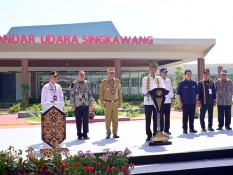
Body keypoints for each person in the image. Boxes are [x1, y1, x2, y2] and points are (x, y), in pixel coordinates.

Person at [142, 61, 166, 141]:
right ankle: (148, 135)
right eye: (151, 69)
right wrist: (150, 93)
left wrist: (159, 93)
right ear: (149, 70)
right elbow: (143, 90)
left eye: (154, 69)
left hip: (157, 102)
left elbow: (163, 88)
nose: (153, 71)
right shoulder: (145, 79)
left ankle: (155, 133)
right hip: (148, 101)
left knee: (156, 119)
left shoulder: (159, 78)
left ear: (156, 70)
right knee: (148, 119)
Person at [70, 70, 94, 140]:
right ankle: (79, 134)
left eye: (83, 75)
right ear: (78, 75)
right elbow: (71, 95)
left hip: (85, 105)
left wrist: (91, 103)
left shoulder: (87, 83)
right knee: (78, 120)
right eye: (81, 75)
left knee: (86, 120)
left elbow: (90, 94)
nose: (82, 76)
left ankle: (85, 134)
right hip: (77, 105)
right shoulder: (74, 84)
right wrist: (72, 104)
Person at [99, 67, 123, 139]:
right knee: (108, 119)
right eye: (110, 73)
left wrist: (120, 102)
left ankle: (115, 133)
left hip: (115, 103)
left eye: (113, 73)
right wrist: (102, 103)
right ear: (108, 74)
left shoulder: (117, 81)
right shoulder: (104, 82)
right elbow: (101, 94)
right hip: (107, 103)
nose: (112, 74)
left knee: (115, 119)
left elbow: (119, 93)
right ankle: (108, 133)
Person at [177, 70, 198, 134]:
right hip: (185, 103)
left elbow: (197, 93)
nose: (189, 75)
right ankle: (185, 129)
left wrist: (196, 101)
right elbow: (178, 94)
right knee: (185, 116)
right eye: (188, 74)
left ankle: (191, 128)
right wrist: (179, 101)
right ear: (185, 75)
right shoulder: (181, 83)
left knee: (192, 116)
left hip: (192, 102)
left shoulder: (194, 83)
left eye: (190, 74)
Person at [160, 68, 174, 135]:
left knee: (167, 116)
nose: (165, 73)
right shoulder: (158, 80)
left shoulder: (168, 80)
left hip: (168, 100)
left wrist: (172, 97)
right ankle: (161, 130)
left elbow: (171, 89)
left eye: (166, 72)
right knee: (161, 117)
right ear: (160, 73)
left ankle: (167, 130)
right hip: (160, 101)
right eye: (163, 72)